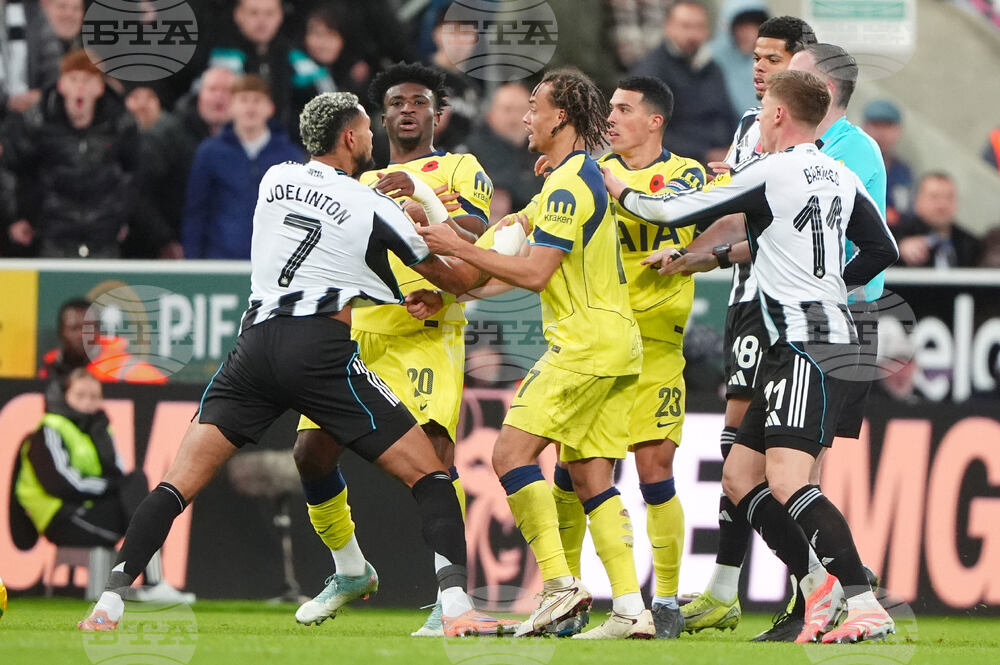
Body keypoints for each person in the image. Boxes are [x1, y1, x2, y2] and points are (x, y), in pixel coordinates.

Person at [78, 90, 511, 637]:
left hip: (254, 350)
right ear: (350, 137)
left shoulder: (274, 178)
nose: (373, 138)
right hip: (319, 352)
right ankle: (456, 608)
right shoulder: (371, 204)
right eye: (366, 130)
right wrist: (465, 237)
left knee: (176, 484)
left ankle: (108, 604)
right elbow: (456, 277)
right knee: (431, 477)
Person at [606, 69, 899, 644]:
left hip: (806, 342)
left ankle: (864, 602)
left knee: (788, 480)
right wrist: (831, 286)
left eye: (764, 110)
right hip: (818, 336)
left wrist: (611, 180)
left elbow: (665, 213)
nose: (758, 119)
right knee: (741, 475)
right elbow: (881, 247)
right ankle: (817, 587)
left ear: (780, 115)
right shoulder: (838, 173)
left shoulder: (770, 170)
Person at [419, 68, 654, 639]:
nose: (526, 117)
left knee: (509, 454)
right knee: (590, 475)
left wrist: (453, 246)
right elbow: (510, 268)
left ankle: (559, 585)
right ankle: (630, 609)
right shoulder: (572, 179)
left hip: (583, 345)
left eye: (534, 106)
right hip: (615, 344)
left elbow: (534, 273)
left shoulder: (569, 187)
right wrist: (454, 281)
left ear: (561, 116)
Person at [291, 62, 492, 638]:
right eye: (397, 102)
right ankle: (350, 568)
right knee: (310, 452)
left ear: (438, 114)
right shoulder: (358, 181)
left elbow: (476, 233)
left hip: (427, 335)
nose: (408, 109)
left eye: (419, 101)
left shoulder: (460, 167)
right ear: (380, 119)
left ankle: (449, 599)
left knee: (434, 461)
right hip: (361, 332)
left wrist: (426, 202)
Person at [671, 14, 816, 637]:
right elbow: (735, 211)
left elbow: (787, 229)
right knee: (741, 457)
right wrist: (691, 252)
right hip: (743, 300)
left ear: (801, 63)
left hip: (784, 310)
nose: (758, 68)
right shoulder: (747, 128)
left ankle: (822, 582)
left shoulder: (819, 140)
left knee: (762, 463)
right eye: (755, 57)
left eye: (772, 58)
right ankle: (732, 589)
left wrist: (701, 248)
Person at [548, 75, 705, 640]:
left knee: (654, 472)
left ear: (654, 120)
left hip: (657, 347)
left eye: (623, 108)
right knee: (573, 472)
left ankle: (665, 601)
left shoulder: (685, 173)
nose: (610, 117)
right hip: (599, 344)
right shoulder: (589, 173)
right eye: (609, 108)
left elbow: (669, 212)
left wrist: (606, 183)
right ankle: (565, 596)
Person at [14, 369, 190, 602]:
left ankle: (153, 583)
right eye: (80, 395)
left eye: (94, 396)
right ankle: (153, 582)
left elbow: (118, 473)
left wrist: (116, 483)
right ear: (64, 396)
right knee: (136, 494)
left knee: (137, 490)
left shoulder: (100, 429)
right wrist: (112, 486)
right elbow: (62, 484)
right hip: (61, 517)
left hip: (90, 510)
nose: (88, 402)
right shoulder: (50, 428)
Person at [1, 49, 138, 258]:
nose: (80, 87)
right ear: (61, 85)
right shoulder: (37, 122)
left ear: (100, 87)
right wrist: (19, 216)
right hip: (52, 235)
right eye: (73, 79)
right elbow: (15, 169)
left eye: (87, 80)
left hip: (104, 236)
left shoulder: (120, 123)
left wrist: (124, 216)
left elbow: (135, 172)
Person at [182, 75, 302, 259]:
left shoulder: (290, 155)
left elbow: (299, 213)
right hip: (221, 260)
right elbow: (196, 211)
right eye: (243, 100)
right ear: (231, 107)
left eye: (257, 100)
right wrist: (192, 259)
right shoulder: (210, 152)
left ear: (270, 107)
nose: (250, 107)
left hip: (274, 261)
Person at [132, 67, 237, 259]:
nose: (219, 97)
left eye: (227, 91)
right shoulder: (167, 134)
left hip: (224, 250)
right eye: (213, 89)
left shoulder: (247, 140)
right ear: (199, 94)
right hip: (170, 251)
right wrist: (164, 240)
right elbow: (139, 192)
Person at [207, 0, 333, 137]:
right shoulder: (221, 57)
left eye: (269, 13)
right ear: (238, 15)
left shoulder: (295, 58)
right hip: (232, 141)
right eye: (253, 13)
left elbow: (330, 100)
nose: (262, 21)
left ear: (280, 16)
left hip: (287, 143)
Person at [630, 0, 735, 164]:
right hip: (677, 163)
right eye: (685, 26)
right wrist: (705, 153)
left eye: (699, 27)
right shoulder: (651, 71)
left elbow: (728, 115)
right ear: (668, 27)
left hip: (723, 156)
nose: (693, 34)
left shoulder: (712, 68)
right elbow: (648, 131)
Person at [464, 82, 538, 213]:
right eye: (507, 109)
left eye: (522, 110)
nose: (514, 118)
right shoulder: (473, 148)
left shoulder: (543, 149)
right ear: (491, 113)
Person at [893, 172, 982, 268]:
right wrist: (898, 249)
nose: (942, 204)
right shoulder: (895, 236)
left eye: (949, 197)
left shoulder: (969, 243)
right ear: (917, 201)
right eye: (934, 197)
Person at [711, 2, 770, 117]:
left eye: (752, 27)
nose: (745, 34)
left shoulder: (778, 64)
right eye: (740, 27)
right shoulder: (713, 62)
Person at [861, 100, 913, 226]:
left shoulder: (903, 171)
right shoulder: (851, 164)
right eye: (875, 125)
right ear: (864, 128)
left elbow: (906, 211)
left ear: (898, 131)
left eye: (887, 126)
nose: (881, 133)